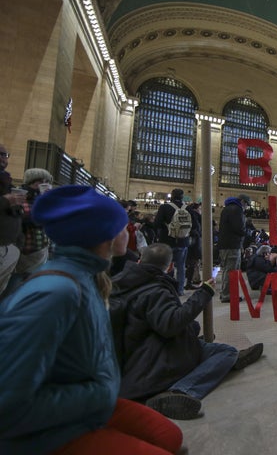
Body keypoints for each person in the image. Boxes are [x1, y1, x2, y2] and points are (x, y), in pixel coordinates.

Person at [0, 185, 183, 454]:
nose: (128, 230)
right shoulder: (54, 293)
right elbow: (9, 404)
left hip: (88, 398)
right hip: (45, 434)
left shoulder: (88, 277)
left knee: (169, 436)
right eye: (123, 224)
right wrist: (99, 394)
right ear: (103, 234)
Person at [111, 243, 264, 420]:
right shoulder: (155, 290)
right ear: (170, 266)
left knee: (203, 341)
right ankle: (180, 390)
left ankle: (224, 359)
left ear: (139, 261)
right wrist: (203, 293)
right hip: (151, 367)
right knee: (226, 352)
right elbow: (171, 324)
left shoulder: (122, 283)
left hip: (133, 357)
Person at [3, 168, 53, 293]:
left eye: (46, 181)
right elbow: (24, 218)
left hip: (41, 246)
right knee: (16, 283)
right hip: (25, 248)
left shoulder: (43, 198)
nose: (43, 183)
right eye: (40, 181)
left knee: (32, 283)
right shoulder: (20, 196)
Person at [155, 188, 195, 295]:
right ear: (182, 197)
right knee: (181, 267)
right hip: (183, 242)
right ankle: (180, 290)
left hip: (167, 241)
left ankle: (165, 289)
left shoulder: (164, 207)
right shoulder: (188, 208)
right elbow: (195, 225)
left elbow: (157, 223)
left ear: (171, 196)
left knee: (165, 266)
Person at [0, 144, 24, 295]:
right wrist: (5, 201)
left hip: (10, 246)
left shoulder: (8, 183)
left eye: (5, 155)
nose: (3, 158)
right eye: (0, 154)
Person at [217, 194, 250, 302]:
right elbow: (239, 228)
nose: (246, 208)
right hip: (232, 245)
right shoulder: (236, 210)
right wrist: (247, 232)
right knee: (231, 270)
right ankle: (227, 295)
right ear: (242, 202)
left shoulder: (227, 209)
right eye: (247, 205)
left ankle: (225, 293)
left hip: (225, 244)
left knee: (227, 270)